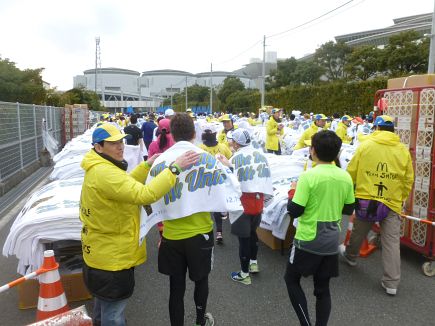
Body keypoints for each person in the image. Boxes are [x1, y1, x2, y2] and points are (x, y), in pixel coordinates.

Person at [79, 123, 199, 326]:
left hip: (100, 253)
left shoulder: (100, 167)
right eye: (113, 143)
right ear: (98, 147)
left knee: (103, 306)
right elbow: (145, 194)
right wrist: (175, 168)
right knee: (113, 314)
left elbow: (125, 184)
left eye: (121, 141)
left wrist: (146, 165)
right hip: (112, 259)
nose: (120, 146)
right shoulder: (105, 173)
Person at [285, 130, 355, 326]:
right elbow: (348, 208)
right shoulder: (345, 177)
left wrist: (292, 191)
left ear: (313, 151)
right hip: (331, 239)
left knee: (291, 280)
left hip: (307, 239)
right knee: (323, 289)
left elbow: (295, 211)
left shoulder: (308, 177)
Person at [339, 115, 414, 296]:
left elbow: (351, 173)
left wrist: (351, 195)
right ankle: (391, 282)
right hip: (391, 202)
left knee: (359, 230)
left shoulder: (365, 146)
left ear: (377, 128)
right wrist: (400, 197)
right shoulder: (402, 150)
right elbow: (408, 179)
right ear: (392, 131)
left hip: (366, 199)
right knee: (391, 242)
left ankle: (351, 256)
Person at [158, 113, 216, 326]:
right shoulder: (206, 157)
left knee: (176, 287)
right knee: (201, 280)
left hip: (172, 233)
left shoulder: (162, 160)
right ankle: (201, 320)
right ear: (194, 133)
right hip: (200, 232)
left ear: (171, 134)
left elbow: (151, 196)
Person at [218, 128, 273, 285]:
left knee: (244, 240)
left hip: (243, 204)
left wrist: (227, 165)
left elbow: (232, 180)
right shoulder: (261, 154)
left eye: (232, 141)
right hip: (259, 202)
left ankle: (244, 274)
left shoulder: (236, 158)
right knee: (253, 233)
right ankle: (253, 263)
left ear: (236, 142)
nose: (231, 143)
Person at [199, 124, 233, 244]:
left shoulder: (200, 148)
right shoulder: (223, 147)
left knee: (205, 207)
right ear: (215, 134)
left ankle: (204, 232)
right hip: (220, 181)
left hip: (205, 182)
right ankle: (219, 232)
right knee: (217, 207)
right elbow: (230, 159)